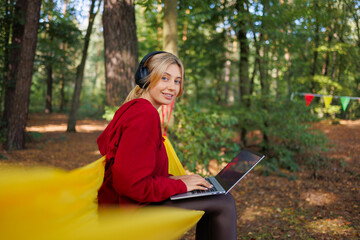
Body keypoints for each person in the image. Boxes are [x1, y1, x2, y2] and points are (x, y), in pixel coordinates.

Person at [97, 51, 237, 240]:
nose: (172, 87)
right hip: (130, 211)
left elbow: (136, 171)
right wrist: (178, 184)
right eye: (165, 78)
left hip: (127, 205)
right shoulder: (144, 115)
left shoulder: (133, 107)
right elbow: (129, 185)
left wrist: (178, 180)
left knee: (214, 198)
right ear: (146, 78)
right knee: (223, 202)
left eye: (177, 81)